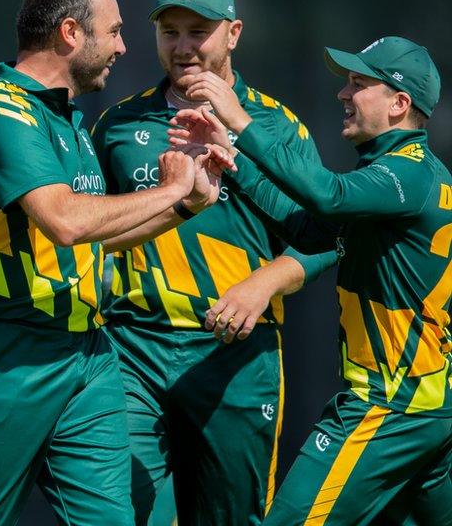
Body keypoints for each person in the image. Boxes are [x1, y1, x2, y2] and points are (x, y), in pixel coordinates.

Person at [0, 0, 234, 526]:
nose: (122, 45)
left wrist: (185, 206)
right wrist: (168, 189)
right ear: (71, 33)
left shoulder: (67, 120)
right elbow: (64, 221)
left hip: (86, 356)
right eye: (113, 31)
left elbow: (98, 238)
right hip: (3, 353)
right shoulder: (5, 108)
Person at [89, 0, 337, 525]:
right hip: (134, 347)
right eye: (169, 31)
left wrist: (264, 283)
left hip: (236, 358)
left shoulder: (275, 124)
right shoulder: (118, 124)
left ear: (234, 33)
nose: (182, 48)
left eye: (198, 31)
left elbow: (327, 238)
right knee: (126, 513)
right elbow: (86, 224)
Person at [172, 36, 452, 524]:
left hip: (388, 405)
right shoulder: (396, 176)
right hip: (425, 407)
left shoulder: (408, 176)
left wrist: (239, 120)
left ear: (399, 104)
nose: (343, 95)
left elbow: (328, 196)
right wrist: (233, 158)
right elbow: (309, 226)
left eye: (359, 84)